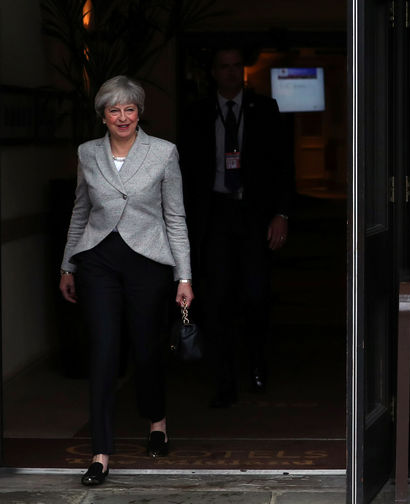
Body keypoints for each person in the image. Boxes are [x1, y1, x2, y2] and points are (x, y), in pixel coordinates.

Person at [59, 75, 194, 486]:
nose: (123, 117)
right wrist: (68, 264)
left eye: (129, 109)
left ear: (139, 113)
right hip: (98, 261)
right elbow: (80, 211)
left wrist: (183, 275)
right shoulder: (87, 153)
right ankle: (100, 452)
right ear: (103, 115)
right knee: (102, 350)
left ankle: (157, 422)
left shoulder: (163, 152)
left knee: (146, 348)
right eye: (114, 110)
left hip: (148, 262)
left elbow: (175, 216)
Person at [179, 47, 294, 408]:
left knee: (256, 295)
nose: (231, 73)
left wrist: (282, 214)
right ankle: (224, 380)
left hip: (254, 214)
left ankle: (257, 363)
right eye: (224, 67)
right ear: (213, 72)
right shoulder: (197, 113)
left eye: (236, 67)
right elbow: (184, 172)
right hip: (214, 215)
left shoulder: (266, 110)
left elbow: (283, 165)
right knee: (217, 301)